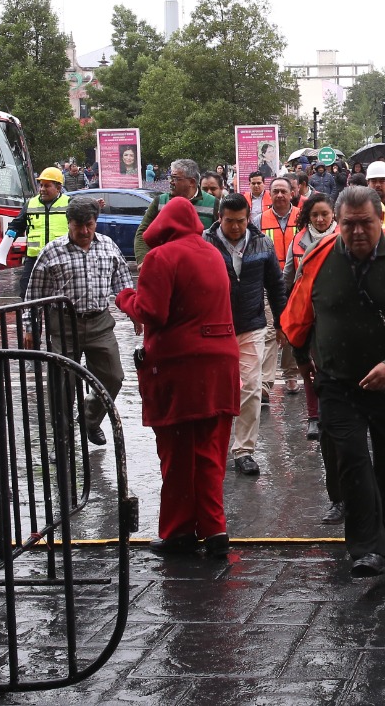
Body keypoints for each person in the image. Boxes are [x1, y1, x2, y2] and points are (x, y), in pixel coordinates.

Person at [280, 187, 385, 578]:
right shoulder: (318, 259)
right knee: (351, 461)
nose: (356, 232)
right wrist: (304, 362)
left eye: (364, 223)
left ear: (380, 220)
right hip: (337, 382)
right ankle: (366, 548)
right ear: (337, 223)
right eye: (347, 224)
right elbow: (298, 316)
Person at [117, 197, 239, 558]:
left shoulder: (161, 257)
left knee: (176, 455)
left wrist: (126, 298)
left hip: (181, 369)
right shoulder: (212, 252)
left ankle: (178, 530)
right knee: (210, 452)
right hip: (221, 367)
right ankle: (215, 529)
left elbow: (152, 312)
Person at [24, 197, 133, 446]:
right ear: (69, 223)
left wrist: (135, 312)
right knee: (61, 386)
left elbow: (124, 285)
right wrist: (31, 327)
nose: (84, 231)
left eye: (90, 224)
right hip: (63, 326)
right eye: (78, 226)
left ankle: (89, 420)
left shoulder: (108, 247)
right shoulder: (51, 251)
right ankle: (62, 440)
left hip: (100, 324)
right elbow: (34, 293)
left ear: (96, 222)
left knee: (113, 377)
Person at [204, 192, 285, 479]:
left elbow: (276, 285)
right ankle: (213, 445)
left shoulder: (262, 242)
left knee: (250, 387)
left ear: (248, 218)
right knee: (215, 390)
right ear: (220, 219)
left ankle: (244, 450)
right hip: (214, 329)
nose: (236, 227)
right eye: (230, 221)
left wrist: (282, 322)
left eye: (240, 221)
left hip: (252, 325)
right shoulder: (206, 244)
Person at [282, 193, 342, 522]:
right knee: (308, 367)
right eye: (315, 215)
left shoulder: (341, 239)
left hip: (330, 314)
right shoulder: (298, 240)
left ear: (333, 216)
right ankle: (313, 415)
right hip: (306, 312)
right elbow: (289, 278)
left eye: (325, 215)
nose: (320, 220)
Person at [258, 175, 303, 398]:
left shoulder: (302, 217)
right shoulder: (259, 220)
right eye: (275, 191)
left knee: (291, 330)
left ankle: (291, 374)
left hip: (296, 281)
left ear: (291, 193)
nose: (279, 195)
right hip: (268, 283)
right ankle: (266, 383)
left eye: (283, 191)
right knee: (270, 332)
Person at [135, 160, 217, 263]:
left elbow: (222, 237)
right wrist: (143, 260)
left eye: (175, 178)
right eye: (170, 177)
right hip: (166, 267)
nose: (171, 182)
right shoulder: (160, 201)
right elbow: (142, 233)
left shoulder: (212, 203)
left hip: (200, 266)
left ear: (191, 182)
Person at [6, 167, 69, 295]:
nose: (42, 189)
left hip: (61, 256)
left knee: (62, 291)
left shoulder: (69, 203)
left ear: (58, 188)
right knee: (26, 288)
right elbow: (17, 225)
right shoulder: (31, 204)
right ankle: (29, 314)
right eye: (41, 186)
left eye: (47, 186)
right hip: (35, 257)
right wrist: (9, 235)